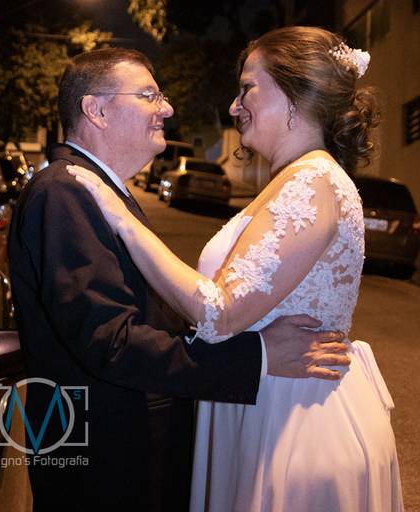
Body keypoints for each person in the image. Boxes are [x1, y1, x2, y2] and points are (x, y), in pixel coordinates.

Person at [69, 28, 403, 511]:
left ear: (293, 93)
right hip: (262, 402)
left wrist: (121, 219)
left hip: (293, 423)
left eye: (248, 88)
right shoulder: (293, 180)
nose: (234, 105)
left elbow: (219, 312)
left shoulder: (313, 181)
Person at [8, 46, 351, 511]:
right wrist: (258, 356)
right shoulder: (66, 192)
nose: (167, 109)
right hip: (104, 464)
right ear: (97, 110)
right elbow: (110, 341)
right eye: (149, 95)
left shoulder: (98, 190)